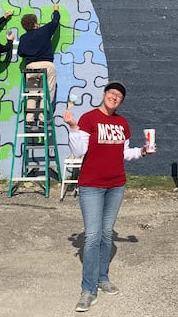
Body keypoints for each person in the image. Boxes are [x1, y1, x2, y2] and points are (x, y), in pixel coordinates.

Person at [63, 81, 154, 312]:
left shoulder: (122, 123)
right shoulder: (88, 118)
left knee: (106, 234)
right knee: (92, 236)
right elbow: (78, 151)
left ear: (121, 101)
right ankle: (88, 289)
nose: (115, 97)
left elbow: (123, 152)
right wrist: (73, 126)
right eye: (112, 93)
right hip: (91, 185)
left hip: (116, 185)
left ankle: (102, 278)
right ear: (104, 95)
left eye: (119, 96)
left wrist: (142, 151)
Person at [17, 4, 61, 125]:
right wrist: (56, 10)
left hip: (30, 67)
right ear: (35, 23)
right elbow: (55, 21)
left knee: (32, 93)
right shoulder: (44, 31)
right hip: (46, 66)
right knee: (49, 90)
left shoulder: (23, 37)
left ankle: (29, 120)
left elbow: (21, 53)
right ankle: (42, 119)